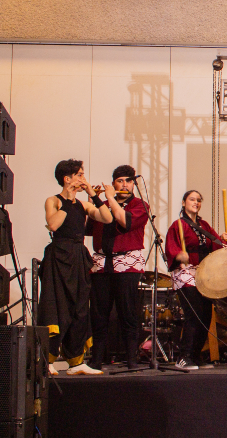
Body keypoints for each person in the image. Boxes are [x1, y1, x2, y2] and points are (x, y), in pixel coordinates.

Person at [39, 160, 113, 376]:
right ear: (67, 178)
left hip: (78, 256)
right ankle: (48, 359)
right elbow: (53, 225)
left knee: (80, 308)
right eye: (79, 175)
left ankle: (76, 361)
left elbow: (107, 218)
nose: (83, 178)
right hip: (58, 256)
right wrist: (69, 201)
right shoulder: (53, 200)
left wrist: (94, 195)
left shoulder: (84, 204)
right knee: (56, 307)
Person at [87, 165, 149, 370]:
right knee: (99, 314)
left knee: (128, 313)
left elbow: (124, 221)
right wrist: (92, 199)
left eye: (128, 181)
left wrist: (110, 199)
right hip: (102, 264)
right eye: (120, 181)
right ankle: (96, 360)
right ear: (113, 183)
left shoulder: (140, 205)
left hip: (127, 265)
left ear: (133, 184)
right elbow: (87, 228)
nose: (124, 184)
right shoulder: (102, 204)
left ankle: (132, 359)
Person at [165, 190, 227, 370]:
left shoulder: (204, 225)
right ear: (184, 202)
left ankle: (196, 355)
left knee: (206, 314)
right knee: (194, 313)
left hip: (203, 273)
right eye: (192, 199)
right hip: (186, 273)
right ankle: (183, 357)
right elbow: (171, 248)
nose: (196, 202)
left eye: (199, 200)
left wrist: (223, 240)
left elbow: (217, 246)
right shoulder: (178, 225)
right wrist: (179, 255)